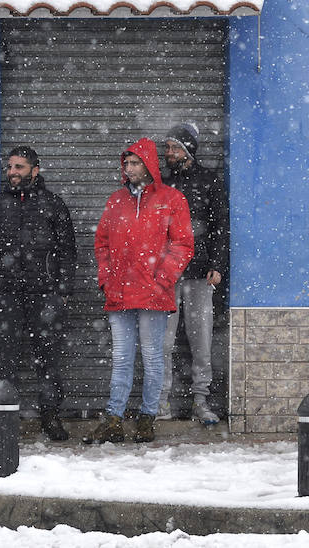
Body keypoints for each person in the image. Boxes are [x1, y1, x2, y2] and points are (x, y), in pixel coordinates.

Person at [85, 138, 193, 445]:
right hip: (119, 293)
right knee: (121, 358)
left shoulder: (171, 199)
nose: (129, 169)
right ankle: (114, 419)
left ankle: (147, 418)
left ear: (148, 165)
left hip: (153, 294)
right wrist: (106, 278)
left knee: (152, 356)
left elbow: (183, 244)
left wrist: (162, 279)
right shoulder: (116, 200)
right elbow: (102, 243)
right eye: (126, 164)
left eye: (134, 163)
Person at [0, 146, 76, 441]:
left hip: (45, 295)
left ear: (35, 169)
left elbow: (68, 252)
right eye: (10, 167)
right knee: (5, 362)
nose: (12, 173)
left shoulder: (53, 204)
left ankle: (50, 417)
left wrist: (63, 290)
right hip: (6, 294)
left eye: (19, 167)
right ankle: (6, 422)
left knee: (48, 361)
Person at [160, 123, 229, 426]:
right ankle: (160, 402)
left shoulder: (209, 181)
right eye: (167, 148)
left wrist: (217, 263)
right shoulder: (160, 186)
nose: (169, 153)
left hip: (200, 273)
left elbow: (220, 227)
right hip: (166, 274)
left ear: (189, 150)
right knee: (162, 342)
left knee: (200, 341)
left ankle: (201, 400)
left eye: (175, 148)